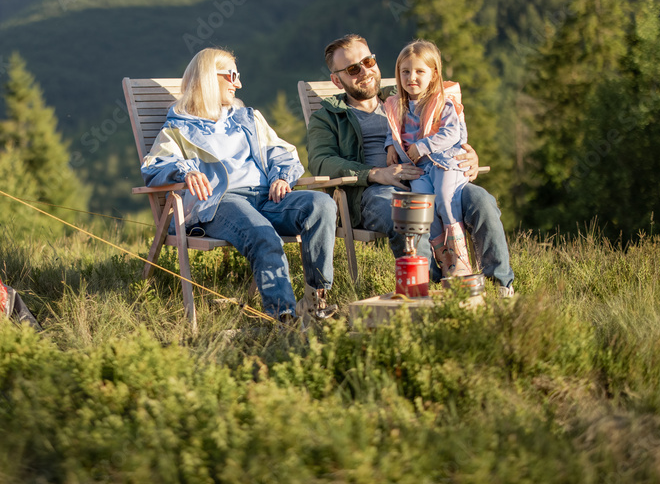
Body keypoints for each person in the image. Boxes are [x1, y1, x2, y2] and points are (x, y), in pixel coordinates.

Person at [141, 48, 339, 323]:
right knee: (262, 233)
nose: (238, 83)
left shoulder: (248, 118)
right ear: (210, 78)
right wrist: (185, 171)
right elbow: (153, 167)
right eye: (232, 75)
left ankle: (315, 300)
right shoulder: (177, 130)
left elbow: (281, 152)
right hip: (222, 202)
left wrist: (281, 176)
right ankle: (284, 317)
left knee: (322, 205)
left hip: (266, 197)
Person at [306, 34, 514, 295]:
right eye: (352, 69)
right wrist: (375, 173)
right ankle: (429, 293)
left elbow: (448, 127)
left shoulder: (406, 98)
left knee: (481, 201)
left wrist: (468, 155)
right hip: (376, 191)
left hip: (435, 174)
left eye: (368, 61)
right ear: (337, 80)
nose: (365, 72)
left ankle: (499, 287)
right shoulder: (328, 117)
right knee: (410, 216)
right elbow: (321, 162)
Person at [384, 40, 473, 279]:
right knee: (425, 207)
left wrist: (422, 146)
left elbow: (452, 133)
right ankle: (443, 259)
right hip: (420, 169)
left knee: (445, 198)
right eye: (405, 71)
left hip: (444, 162)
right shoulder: (397, 105)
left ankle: (460, 259)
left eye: (419, 71)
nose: (411, 77)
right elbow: (392, 129)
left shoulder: (443, 103)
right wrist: (389, 146)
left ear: (434, 75)